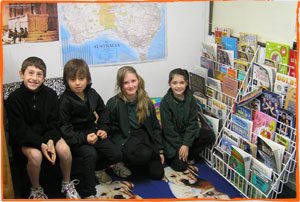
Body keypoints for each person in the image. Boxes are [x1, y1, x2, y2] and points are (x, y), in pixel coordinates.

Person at [5, 56, 80, 199]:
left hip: (48, 134)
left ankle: (67, 183)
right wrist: (40, 143)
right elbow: (19, 130)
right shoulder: (14, 99)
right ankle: (36, 189)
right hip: (26, 139)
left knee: (64, 150)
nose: (34, 78)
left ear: (44, 77)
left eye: (39, 74)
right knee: (36, 156)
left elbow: (54, 122)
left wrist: (50, 140)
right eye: (30, 73)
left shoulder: (51, 95)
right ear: (22, 74)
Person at [59, 58, 122, 199]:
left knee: (116, 155)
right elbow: (65, 128)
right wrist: (84, 138)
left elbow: (103, 112)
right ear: (66, 81)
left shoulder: (92, 93)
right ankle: (88, 192)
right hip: (76, 137)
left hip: (93, 131)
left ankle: (98, 169)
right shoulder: (65, 100)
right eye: (72, 79)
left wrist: (103, 128)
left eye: (81, 78)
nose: (77, 83)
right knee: (90, 154)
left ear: (87, 78)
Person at [106, 66, 165, 180]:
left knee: (157, 174)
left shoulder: (146, 101)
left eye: (133, 81)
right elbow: (108, 130)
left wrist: (160, 150)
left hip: (144, 137)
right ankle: (122, 162)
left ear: (138, 80)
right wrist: (112, 156)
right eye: (126, 83)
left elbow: (155, 127)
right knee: (143, 155)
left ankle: (145, 157)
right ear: (120, 85)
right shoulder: (114, 103)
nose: (131, 85)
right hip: (125, 138)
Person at [160, 68, 215, 172]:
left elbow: (192, 123)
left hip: (186, 136)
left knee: (209, 135)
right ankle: (177, 156)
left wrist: (186, 144)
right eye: (174, 83)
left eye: (181, 82)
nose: (178, 86)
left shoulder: (191, 99)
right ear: (169, 84)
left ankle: (187, 154)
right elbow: (169, 131)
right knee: (181, 167)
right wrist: (180, 146)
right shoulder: (165, 103)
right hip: (172, 140)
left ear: (186, 83)